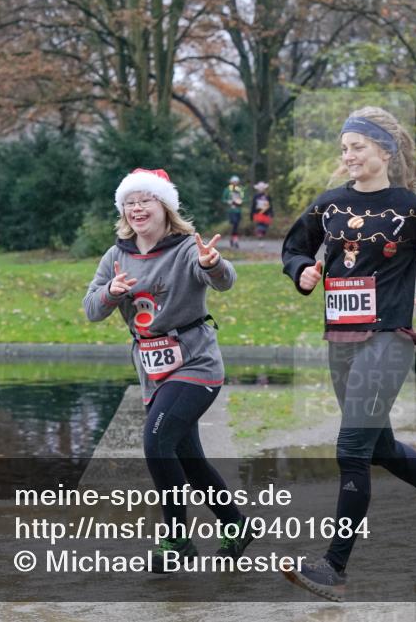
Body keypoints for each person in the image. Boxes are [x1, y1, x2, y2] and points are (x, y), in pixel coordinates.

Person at [281, 107, 416, 602]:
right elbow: (294, 248)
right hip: (341, 340)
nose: (348, 156)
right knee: (378, 447)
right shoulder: (328, 206)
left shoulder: (411, 209)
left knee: (351, 451)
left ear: (384, 152)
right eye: (344, 148)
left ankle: (333, 567)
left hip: (388, 338)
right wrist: (302, 269)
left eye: (357, 147)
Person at [83, 168, 253, 571]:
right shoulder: (116, 256)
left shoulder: (185, 249)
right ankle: (234, 525)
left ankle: (176, 541)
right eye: (130, 202)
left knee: (156, 443)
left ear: (165, 207)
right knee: (188, 458)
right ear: (123, 211)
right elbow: (92, 309)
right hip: (153, 371)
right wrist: (110, 293)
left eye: (146, 200)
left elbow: (224, 280)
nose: (137, 208)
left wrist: (213, 263)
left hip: (196, 364)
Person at [222, 175, 244, 249]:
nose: (235, 183)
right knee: (234, 224)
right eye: (234, 182)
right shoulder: (227, 189)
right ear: (231, 182)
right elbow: (223, 199)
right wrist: (228, 201)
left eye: (236, 182)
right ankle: (235, 240)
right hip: (231, 210)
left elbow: (243, 198)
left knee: (236, 225)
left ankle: (233, 239)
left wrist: (240, 202)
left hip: (238, 210)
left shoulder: (240, 189)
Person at [251, 181, 274, 246]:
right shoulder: (255, 196)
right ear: (258, 189)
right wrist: (251, 214)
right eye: (260, 188)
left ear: (264, 189)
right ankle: (260, 238)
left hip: (266, 214)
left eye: (262, 188)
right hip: (258, 213)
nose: (261, 189)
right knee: (260, 226)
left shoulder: (267, 196)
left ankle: (261, 236)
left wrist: (271, 213)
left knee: (265, 227)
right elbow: (253, 205)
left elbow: (270, 205)